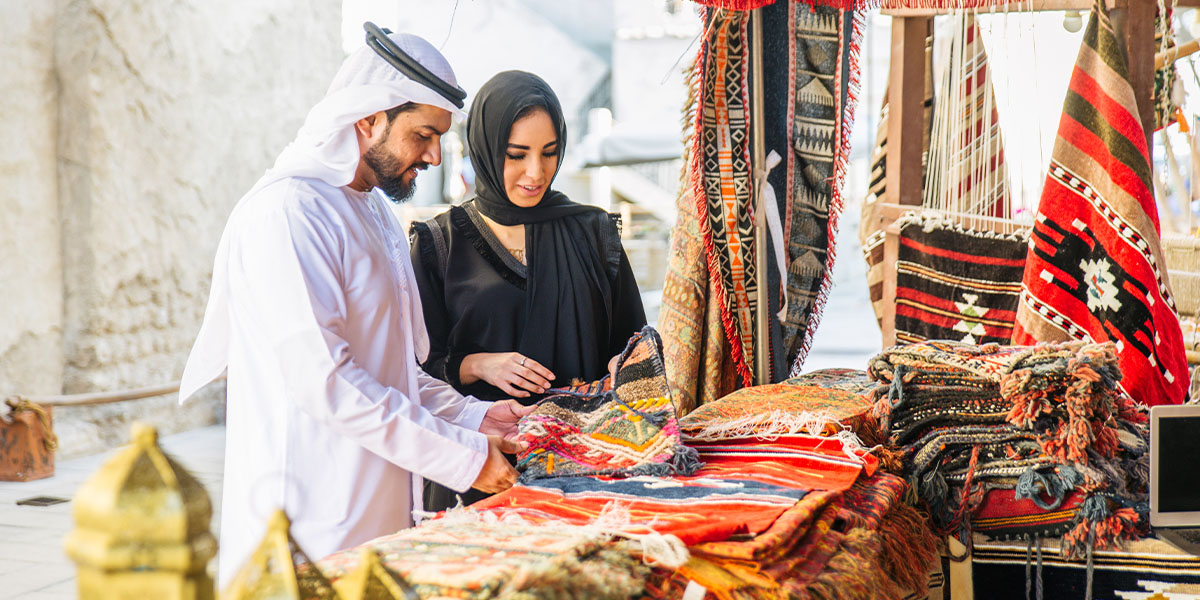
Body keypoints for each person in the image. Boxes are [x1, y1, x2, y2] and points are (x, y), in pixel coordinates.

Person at [178, 27, 533, 587]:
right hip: (308, 526)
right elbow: (331, 383)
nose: (435, 155)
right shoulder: (290, 214)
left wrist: (475, 416)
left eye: (440, 137)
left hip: (377, 518)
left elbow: (391, 373)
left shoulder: (372, 213)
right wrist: (467, 458)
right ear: (368, 119)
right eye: (422, 134)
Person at [410, 71, 647, 512]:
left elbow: (635, 349)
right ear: (485, 146)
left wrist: (624, 368)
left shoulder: (593, 233)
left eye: (549, 153)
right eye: (516, 155)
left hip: (589, 470)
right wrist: (479, 365)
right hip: (481, 474)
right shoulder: (439, 244)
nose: (535, 173)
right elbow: (413, 373)